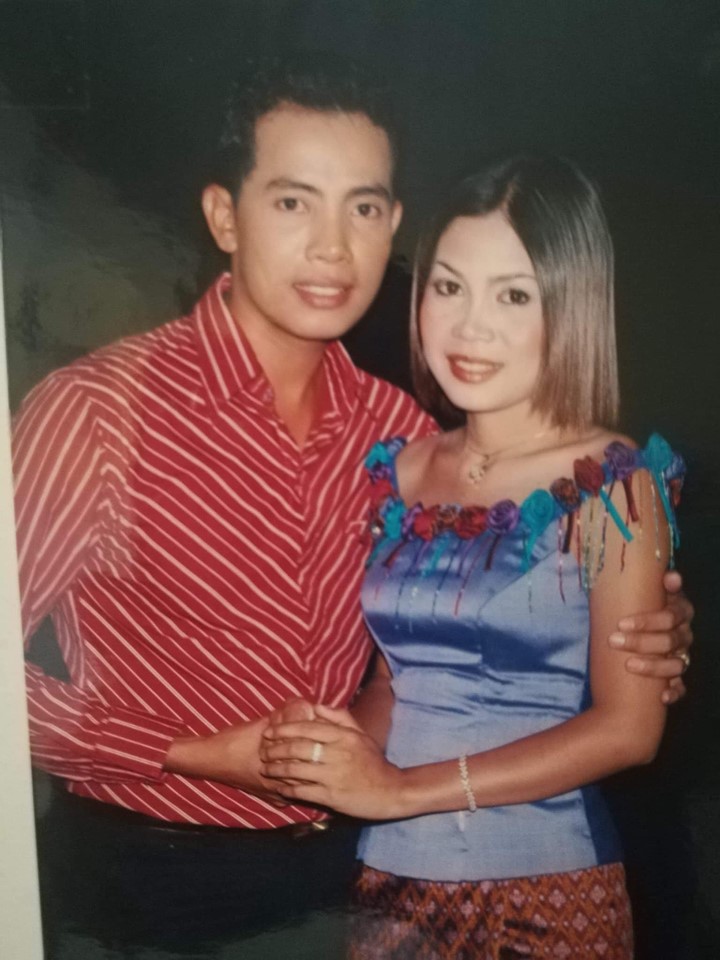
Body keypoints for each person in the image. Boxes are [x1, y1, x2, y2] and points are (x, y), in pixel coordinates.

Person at [15, 55, 690, 957]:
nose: (333, 247)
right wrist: (197, 753)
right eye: (294, 202)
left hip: (350, 878)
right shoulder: (97, 413)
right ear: (224, 216)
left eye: (362, 208)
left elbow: (441, 648)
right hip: (148, 884)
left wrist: (639, 622)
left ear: (393, 227)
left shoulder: (396, 435)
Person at [260, 155, 688, 959]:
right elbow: (395, 680)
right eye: (449, 287)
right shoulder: (401, 468)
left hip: (544, 890)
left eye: (514, 295)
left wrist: (400, 791)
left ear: (570, 307)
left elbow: (630, 729)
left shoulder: (613, 479)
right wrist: (337, 750)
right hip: (389, 883)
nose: (469, 327)